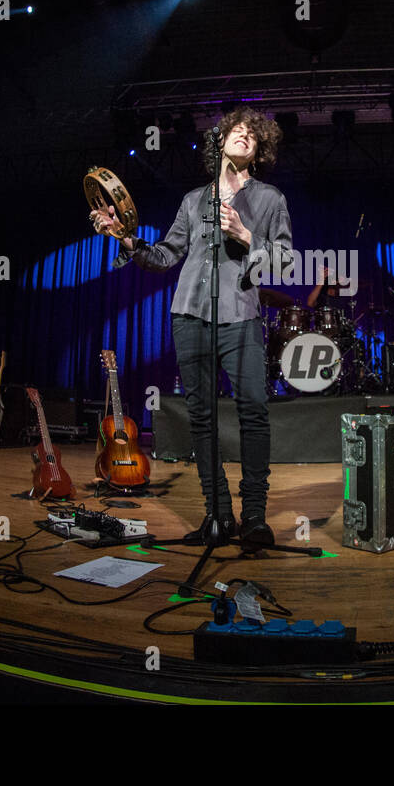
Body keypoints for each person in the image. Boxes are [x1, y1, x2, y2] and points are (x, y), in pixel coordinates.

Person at [91, 108, 290, 548]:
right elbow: (164, 257)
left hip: (241, 317)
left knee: (253, 413)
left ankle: (254, 517)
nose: (242, 136)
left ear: (259, 151)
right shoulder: (192, 201)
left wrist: (245, 235)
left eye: (251, 135)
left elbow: (285, 260)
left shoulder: (270, 199)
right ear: (218, 141)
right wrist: (125, 238)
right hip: (189, 316)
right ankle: (217, 515)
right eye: (235, 130)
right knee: (202, 418)